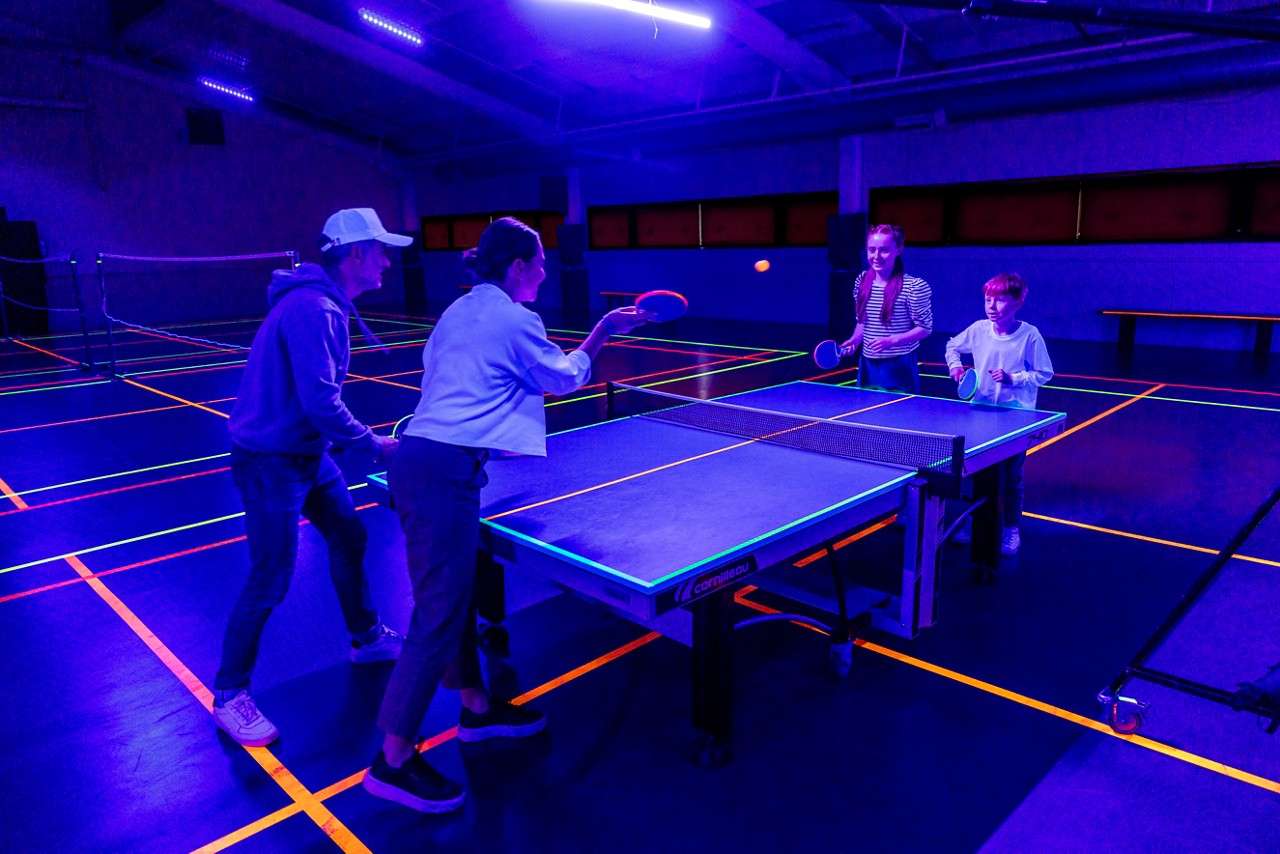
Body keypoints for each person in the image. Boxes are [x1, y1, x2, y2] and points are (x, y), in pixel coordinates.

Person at [363, 217, 649, 814]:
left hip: (422, 458)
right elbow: (564, 379)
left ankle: (475, 708)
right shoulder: (515, 319)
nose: (544, 274)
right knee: (438, 613)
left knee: (455, 601)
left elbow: (442, 377)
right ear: (517, 266)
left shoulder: (457, 312)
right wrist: (599, 332)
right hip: (443, 470)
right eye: (539, 263)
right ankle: (391, 761)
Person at [211, 208, 408, 746]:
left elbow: (318, 409)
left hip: (305, 453)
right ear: (356, 255)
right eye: (381, 250)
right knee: (271, 574)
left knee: (349, 533)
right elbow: (320, 402)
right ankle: (230, 693)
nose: (388, 261)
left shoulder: (324, 305)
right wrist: (373, 444)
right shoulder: (314, 309)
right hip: (272, 459)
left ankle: (366, 637)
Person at [944, 273, 1054, 555]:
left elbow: (1044, 373)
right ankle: (978, 525)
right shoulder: (979, 329)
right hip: (980, 413)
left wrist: (1013, 378)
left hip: (1016, 418)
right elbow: (952, 345)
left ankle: (1010, 528)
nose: (991, 305)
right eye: (987, 299)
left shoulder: (1029, 335)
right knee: (979, 473)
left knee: (1012, 477)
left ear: (1018, 301)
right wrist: (955, 366)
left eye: (1000, 299)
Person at [840, 224, 933, 393]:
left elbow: (925, 329)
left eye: (884, 250)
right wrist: (855, 340)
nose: (876, 256)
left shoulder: (914, 287)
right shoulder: (862, 281)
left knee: (899, 417)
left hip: (899, 365)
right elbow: (862, 321)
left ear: (899, 249)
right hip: (868, 364)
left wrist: (892, 340)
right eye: (871, 250)